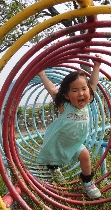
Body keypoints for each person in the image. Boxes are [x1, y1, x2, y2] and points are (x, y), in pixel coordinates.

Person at [36, 56, 102, 199]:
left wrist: (96, 66)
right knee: (53, 158)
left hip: (75, 142)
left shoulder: (88, 101)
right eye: (74, 90)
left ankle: (88, 182)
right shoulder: (64, 106)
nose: (81, 93)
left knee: (85, 156)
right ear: (66, 95)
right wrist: (42, 75)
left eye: (84, 89)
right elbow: (53, 89)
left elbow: (93, 84)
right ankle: (54, 168)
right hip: (58, 140)